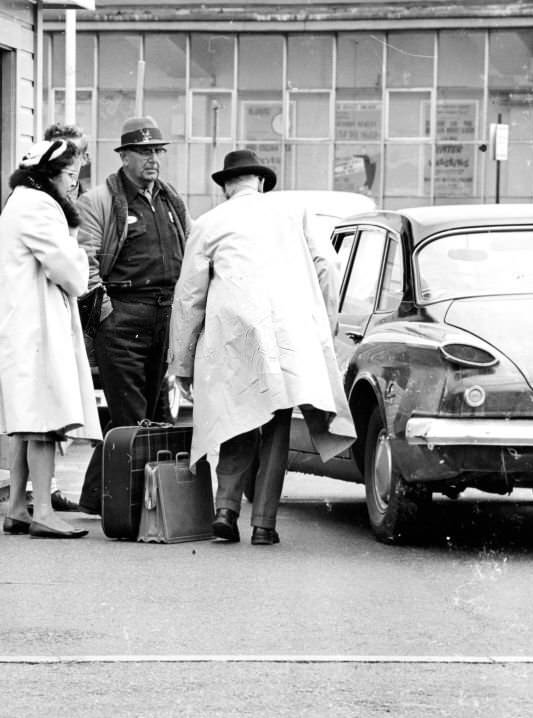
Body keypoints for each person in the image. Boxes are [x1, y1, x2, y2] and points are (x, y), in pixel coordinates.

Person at [167, 149, 356, 545]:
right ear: (262, 183)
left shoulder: (208, 223)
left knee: (237, 414)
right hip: (287, 332)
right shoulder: (294, 213)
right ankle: (264, 524)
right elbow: (328, 266)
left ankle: (225, 509)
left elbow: (189, 298)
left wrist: (181, 361)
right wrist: (323, 323)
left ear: (225, 188)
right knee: (276, 425)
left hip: (234, 332)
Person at [75, 116, 191, 515]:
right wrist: (102, 320)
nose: (153, 159)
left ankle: (95, 498)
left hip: (163, 314)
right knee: (132, 415)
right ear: (124, 156)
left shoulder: (171, 200)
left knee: (148, 414)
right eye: (144, 152)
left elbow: (187, 253)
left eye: (158, 151)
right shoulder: (98, 201)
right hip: (122, 316)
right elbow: (84, 262)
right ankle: (135, 505)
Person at [0, 138, 102, 538]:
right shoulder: (39, 207)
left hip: (24, 324)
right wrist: (80, 257)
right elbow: (71, 272)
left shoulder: (19, 202)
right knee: (42, 419)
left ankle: (18, 507)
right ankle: (43, 513)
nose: (74, 184)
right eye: (72, 175)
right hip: (33, 329)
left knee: (26, 422)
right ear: (51, 175)